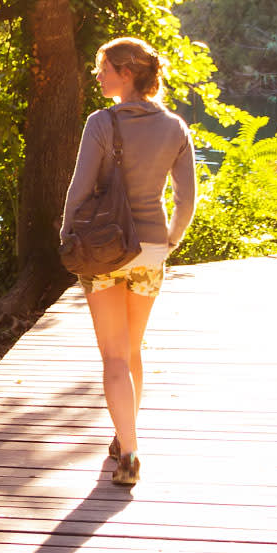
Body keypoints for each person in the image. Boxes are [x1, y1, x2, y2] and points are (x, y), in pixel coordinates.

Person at [62, 37, 196, 486]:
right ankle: (124, 438)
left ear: (126, 73)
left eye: (103, 68)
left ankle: (130, 453)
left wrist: (67, 236)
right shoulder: (175, 126)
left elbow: (79, 191)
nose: (97, 75)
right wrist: (169, 241)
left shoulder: (101, 123)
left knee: (114, 357)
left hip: (104, 250)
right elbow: (186, 199)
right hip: (151, 250)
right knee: (132, 350)